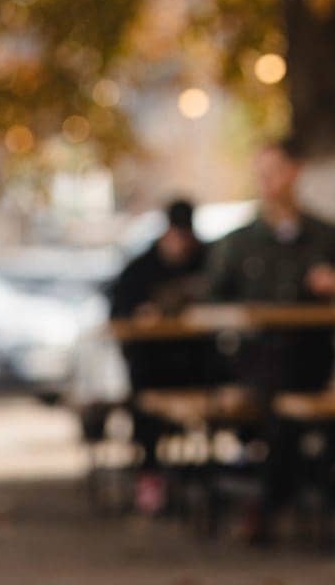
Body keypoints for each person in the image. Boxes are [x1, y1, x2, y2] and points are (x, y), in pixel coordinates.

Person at [203, 134, 335, 539]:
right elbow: (211, 299)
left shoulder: (326, 235)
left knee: (285, 394)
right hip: (256, 355)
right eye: (261, 173)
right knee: (282, 398)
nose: (267, 182)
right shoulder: (239, 241)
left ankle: (266, 500)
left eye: (275, 172)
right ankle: (330, 458)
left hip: (310, 355)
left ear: (295, 173)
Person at [109, 198, 212, 515]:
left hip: (198, 363)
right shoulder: (141, 269)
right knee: (145, 404)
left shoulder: (209, 262)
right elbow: (118, 315)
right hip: (153, 365)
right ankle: (150, 474)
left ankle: (215, 478)